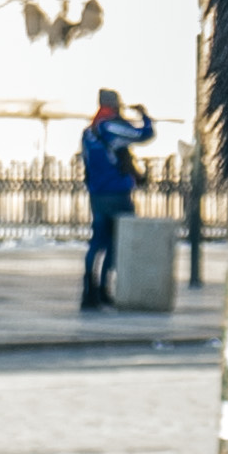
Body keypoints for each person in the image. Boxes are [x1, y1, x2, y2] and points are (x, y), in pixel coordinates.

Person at [75, 88, 149, 311]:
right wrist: (144, 116)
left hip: (96, 194)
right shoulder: (111, 126)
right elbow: (144, 134)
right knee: (116, 244)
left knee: (97, 242)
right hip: (117, 193)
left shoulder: (88, 132)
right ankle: (105, 290)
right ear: (114, 105)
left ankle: (88, 291)